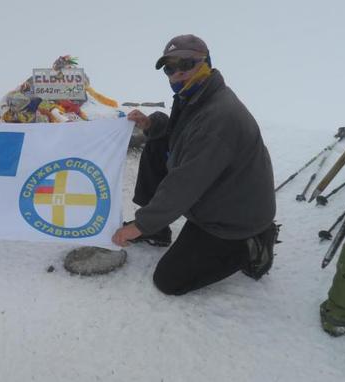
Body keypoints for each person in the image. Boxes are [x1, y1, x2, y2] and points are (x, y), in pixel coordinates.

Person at [112, 34, 278, 295]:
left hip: (233, 219)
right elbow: (181, 133)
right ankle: (158, 231)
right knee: (157, 142)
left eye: (186, 64)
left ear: (206, 63)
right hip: (217, 195)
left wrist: (139, 225)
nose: (177, 73)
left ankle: (252, 244)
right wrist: (152, 124)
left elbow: (184, 184)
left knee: (169, 280)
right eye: (169, 68)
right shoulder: (197, 94)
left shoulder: (219, 117)